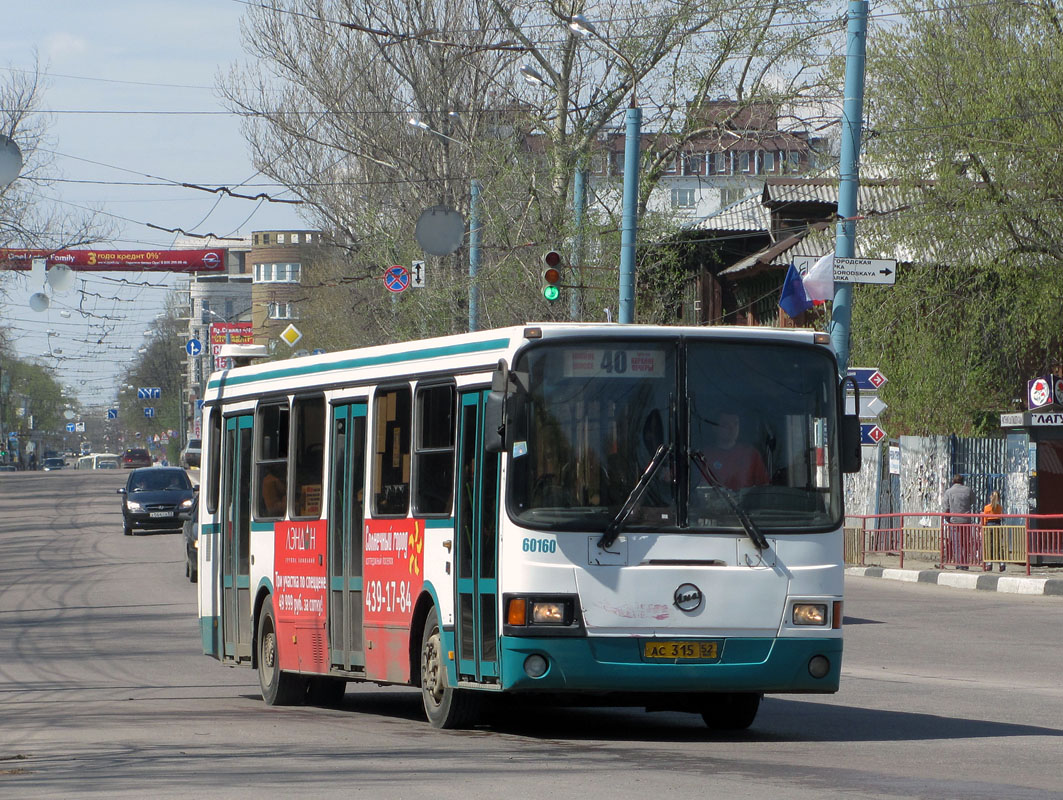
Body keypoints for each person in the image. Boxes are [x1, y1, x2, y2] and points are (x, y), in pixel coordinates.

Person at [699, 411, 769, 490]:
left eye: (736, 424)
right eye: (726, 424)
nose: (732, 429)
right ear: (714, 427)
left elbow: (764, 488)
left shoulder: (751, 454)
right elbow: (701, 489)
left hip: (747, 502)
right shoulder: (704, 456)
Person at [942, 474, 975, 569]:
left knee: (957, 542)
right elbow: (973, 501)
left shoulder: (949, 492)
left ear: (953, 481)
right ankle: (965, 563)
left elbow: (946, 507)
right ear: (962, 481)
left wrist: (946, 518)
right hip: (966, 520)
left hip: (954, 520)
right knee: (965, 542)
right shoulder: (968, 490)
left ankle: (959, 562)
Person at [983, 490, 1005, 572]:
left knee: (989, 545)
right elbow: (1001, 517)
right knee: (999, 545)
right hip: (998, 525)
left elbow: (985, 519)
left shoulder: (987, 507)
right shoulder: (999, 507)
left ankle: (989, 564)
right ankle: (1002, 563)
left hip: (989, 526)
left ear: (991, 497)